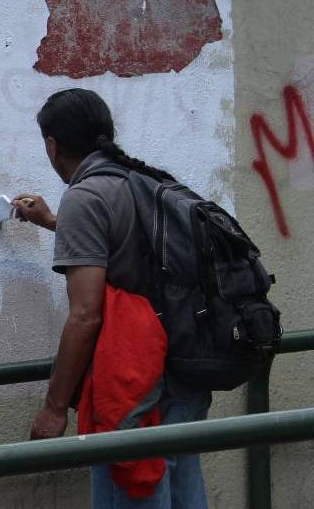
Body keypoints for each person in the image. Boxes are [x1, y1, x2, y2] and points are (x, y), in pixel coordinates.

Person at [13, 88, 210, 508]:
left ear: (52, 145)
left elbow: (85, 315)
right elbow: (125, 245)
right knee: (182, 484)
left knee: (134, 489)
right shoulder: (144, 181)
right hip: (184, 369)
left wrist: (54, 407)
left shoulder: (85, 197)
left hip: (135, 380)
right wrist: (54, 222)